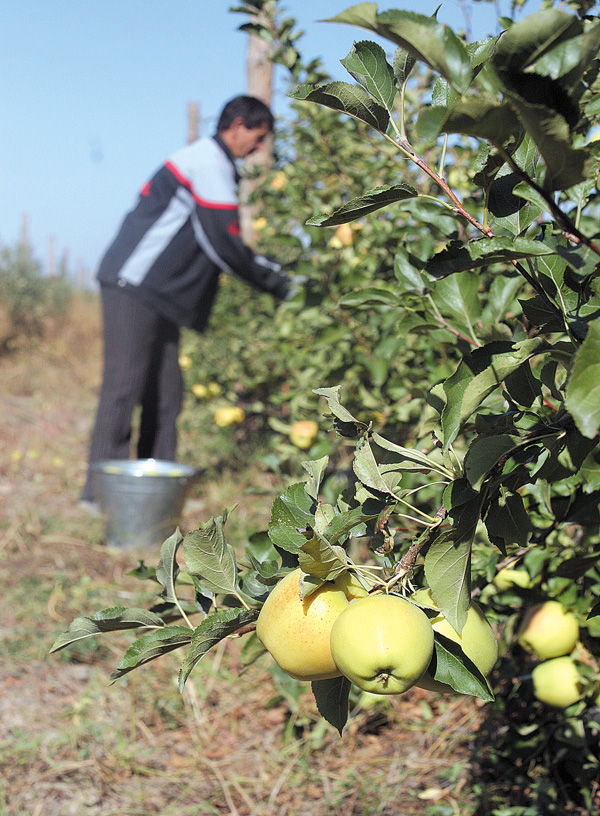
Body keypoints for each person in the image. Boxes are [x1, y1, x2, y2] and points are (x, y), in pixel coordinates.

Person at [80, 95, 291, 506]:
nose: (261, 148)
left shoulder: (214, 163)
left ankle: (154, 491)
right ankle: (100, 495)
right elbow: (224, 245)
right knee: (124, 385)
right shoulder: (208, 162)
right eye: (260, 137)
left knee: (166, 393)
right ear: (238, 126)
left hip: (158, 293)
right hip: (132, 284)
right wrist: (280, 283)